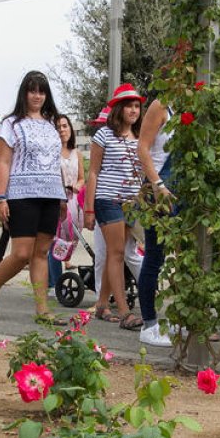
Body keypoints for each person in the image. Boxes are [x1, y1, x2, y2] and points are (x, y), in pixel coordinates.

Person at [0, 70, 67, 323]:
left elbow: (55, 162)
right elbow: (4, 163)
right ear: (24, 93)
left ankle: (42, 311)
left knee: (41, 253)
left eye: (41, 91)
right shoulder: (11, 123)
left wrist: (62, 197)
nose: (37, 96)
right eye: (32, 90)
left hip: (51, 194)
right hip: (21, 195)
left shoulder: (53, 123)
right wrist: (0, 198)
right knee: (21, 254)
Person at [84, 83, 146, 330]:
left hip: (134, 203)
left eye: (137, 106)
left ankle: (101, 304)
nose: (134, 110)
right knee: (117, 253)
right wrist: (89, 209)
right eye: (129, 106)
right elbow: (93, 173)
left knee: (115, 254)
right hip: (108, 200)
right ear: (118, 109)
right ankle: (124, 312)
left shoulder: (141, 136)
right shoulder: (103, 135)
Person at [136, 101, 176, 348]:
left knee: (186, 257)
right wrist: (157, 184)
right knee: (154, 257)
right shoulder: (161, 106)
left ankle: (180, 319)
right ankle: (149, 323)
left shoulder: (195, 105)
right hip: (159, 189)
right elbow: (143, 148)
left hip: (184, 190)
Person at [48, 114, 83, 288]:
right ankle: (55, 283)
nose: (62, 130)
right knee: (55, 242)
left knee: (69, 241)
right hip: (56, 201)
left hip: (74, 203)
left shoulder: (77, 153)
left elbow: (83, 178)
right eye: (58, 127)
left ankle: (51, 281)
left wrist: (77, 184)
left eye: (65, 126)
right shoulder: (51, 153)